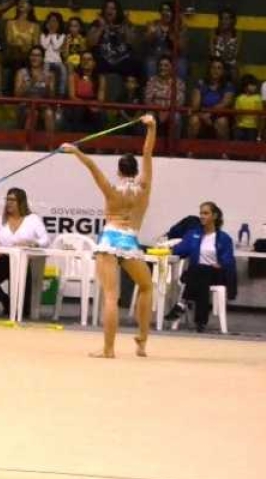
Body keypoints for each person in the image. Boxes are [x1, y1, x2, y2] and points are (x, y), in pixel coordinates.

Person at [62, 115, 157, 357]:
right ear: (136, 171)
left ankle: (109, 349)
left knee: (111, 297)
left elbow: (92, 167)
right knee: (146, 287)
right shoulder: (144, 187)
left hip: (110, 238)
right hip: (130, 240)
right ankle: (142, 341)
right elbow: (147, 153)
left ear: (118, 170)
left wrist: (75, 151)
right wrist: (152, 127)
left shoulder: (112, 190)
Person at [165, 202, 237, 332]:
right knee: (200, 271)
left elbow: (229, 261)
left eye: (205, 213)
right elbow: (179, 251)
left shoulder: (224, 238)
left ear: (214, 216)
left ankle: (182, 303)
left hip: (217, 273)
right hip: (198, 274)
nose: (202, 216)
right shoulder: (193, 235)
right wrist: (166, 249)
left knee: (199, 270)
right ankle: (200, 322)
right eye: (201, 213)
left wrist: (220, 264)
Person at [0, 188, 49, 317]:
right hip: (7, 259)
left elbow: (45, 239)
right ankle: (6, 301)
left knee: (24, 311)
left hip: (25, 261)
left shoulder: (32, 219)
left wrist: (32, 243)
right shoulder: (0, 219)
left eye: (12, 200)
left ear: (21, 202)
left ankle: (20, 305)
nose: (9, 203)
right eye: (7, 199)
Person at [188, 59, 234, 140]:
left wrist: (209, 114)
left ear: (223, 71)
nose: (216, 71)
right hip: (201, 114)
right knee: (194, 120)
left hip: (218, 115)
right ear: (209, 69)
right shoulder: (201, 84)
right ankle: (190, 150)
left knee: (222, 122)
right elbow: (195, 105)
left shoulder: (228, 85)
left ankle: (223, 151)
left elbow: (225, 103)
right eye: (213, 68)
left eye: (219, 68)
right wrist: (203, 116)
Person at [233, 75, 263, 142]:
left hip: (253, 128)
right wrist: (237, 124)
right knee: (238, 144)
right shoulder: (239, 98)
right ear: (245, 86)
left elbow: (260, 115)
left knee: (251, 145)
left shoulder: (258, 98)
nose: (254, 87)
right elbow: (236, 114)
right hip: (240, 127)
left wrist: (259, 130)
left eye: (255, 85)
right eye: (252, 85)